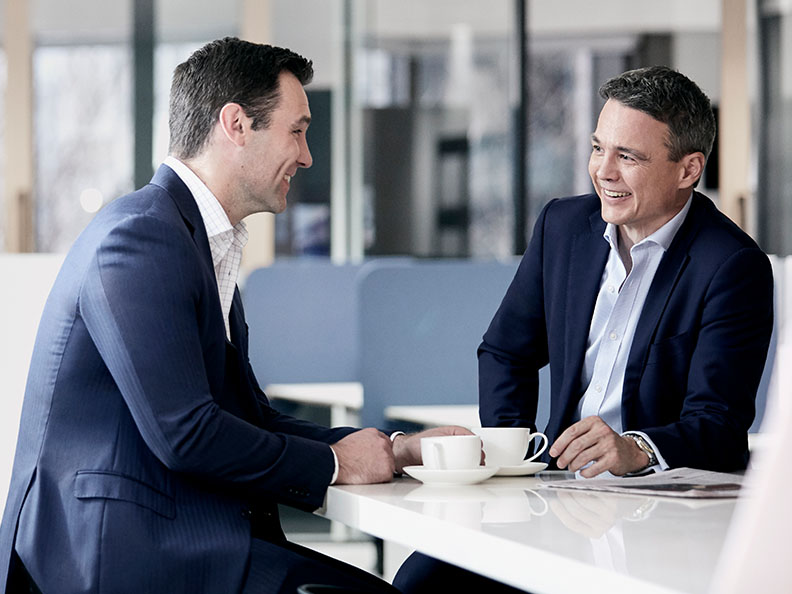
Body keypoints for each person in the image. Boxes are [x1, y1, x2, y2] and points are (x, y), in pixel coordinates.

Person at [0, 37, 467, 594]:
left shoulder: (198, 243)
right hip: (117, 554)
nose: (307, 155)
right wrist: (335, 466)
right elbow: (186, 434)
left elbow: (247, 417)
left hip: (173, 533)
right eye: (297, 130)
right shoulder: (141, 237)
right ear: (236, 124)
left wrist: (392, 448)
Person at [394, 65, 774, 593]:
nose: (604, 171)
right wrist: (510, 451)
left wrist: (634, 448)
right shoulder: (563, 226)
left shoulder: (732, 265)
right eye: (599, 148)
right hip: (554, 489)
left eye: (629, 157)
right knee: (422, 581)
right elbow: (506, 351)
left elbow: (719, 422)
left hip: (659, 507)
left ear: (689, 169)